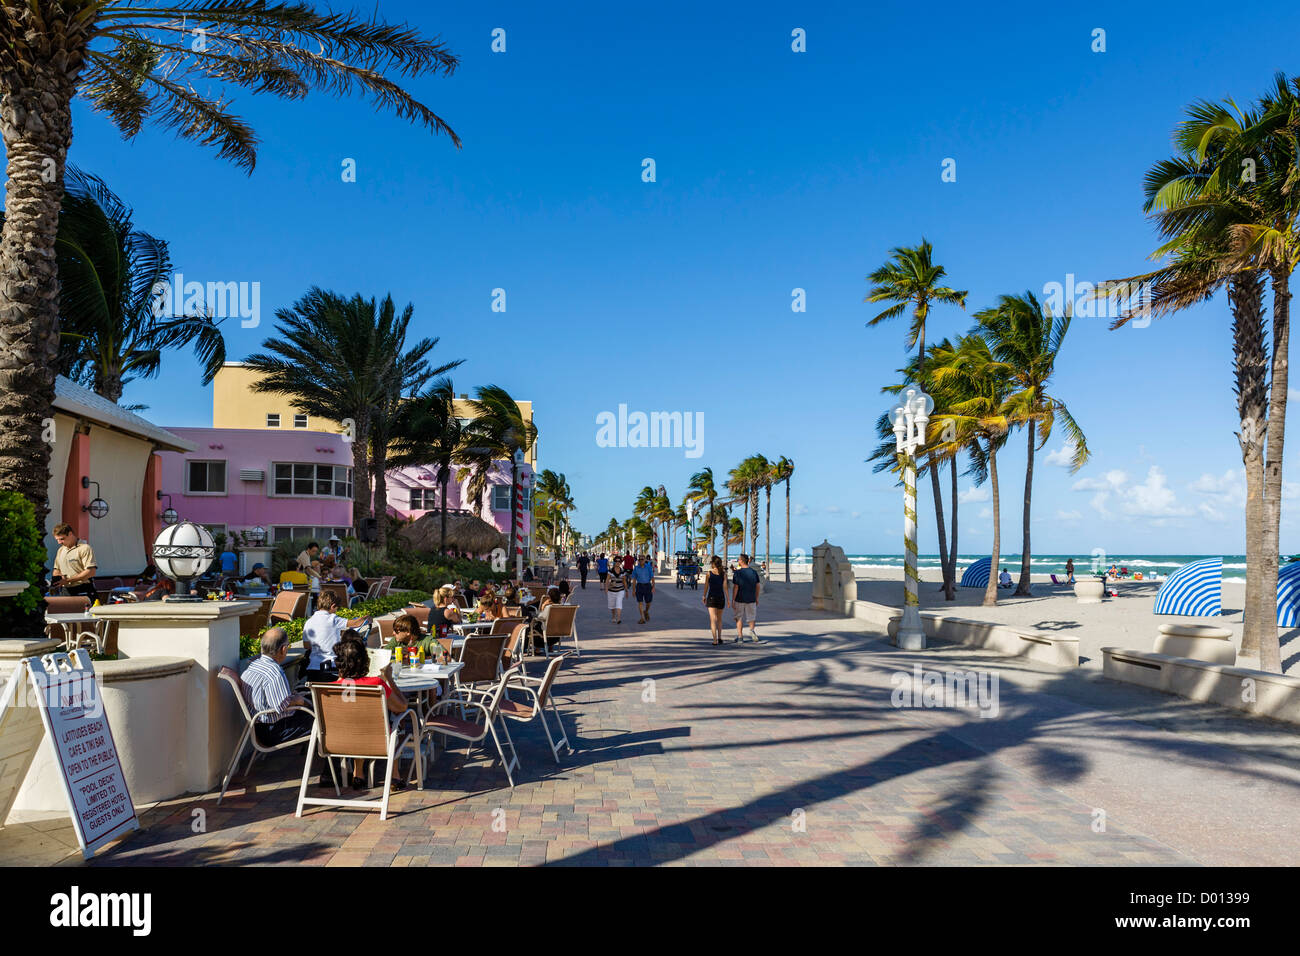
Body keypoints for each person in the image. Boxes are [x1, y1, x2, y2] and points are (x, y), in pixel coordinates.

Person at [241, 627, 328, 785]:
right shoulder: (274, 672)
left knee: (312, 707)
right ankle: (331, 772)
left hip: (259, 725)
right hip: (273, 731)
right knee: (325, 721)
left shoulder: (253, 665)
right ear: (283, 649)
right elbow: (282, 705)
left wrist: (296, 697)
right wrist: (298, 700)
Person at [332, 633, 409, 790]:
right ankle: (395, 776)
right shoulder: (376, 683)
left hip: (339, 742)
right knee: (393, 725)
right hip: (377, 740)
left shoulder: (331, 688)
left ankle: (358, 774)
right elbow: (402, 707)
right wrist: (389, 679)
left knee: (356, 723)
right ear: (365, 661)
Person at [303, 590, 368, 682]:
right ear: (333, 606)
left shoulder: (309, 622)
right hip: (329, 668)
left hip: (312, 669)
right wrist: (367, 617)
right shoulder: (332, 619)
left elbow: (306, 645)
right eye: (336, 608)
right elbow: (356, 623)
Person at [51, 523, 97, 598]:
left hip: (83, 589)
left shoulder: (84, 548)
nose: (59, 542)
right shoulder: (61, 550)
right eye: (57, 540)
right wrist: (55, 583)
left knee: (84, 610)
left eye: (62, 539)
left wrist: (68, 580)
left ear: (70, 534)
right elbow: (57, 570)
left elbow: (91, 572)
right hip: (65, 590)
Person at [731, 553, 761, 643]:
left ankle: (740, 637)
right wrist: (756, 598)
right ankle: (752, 631)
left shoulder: (738, 573)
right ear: (748, 561)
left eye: (738, 559)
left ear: (740, 561)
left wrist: (733, 599)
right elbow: (758, 586)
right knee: (751, 617)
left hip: (740, 598)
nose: (738, 561)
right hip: (751, 598)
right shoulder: (753, 572)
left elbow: (736, 587)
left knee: (739, 617)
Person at [703, 555, 726, 645]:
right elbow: (725, 588)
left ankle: (715, 640)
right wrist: (728, 599)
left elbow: (706, 586)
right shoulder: (723, 573)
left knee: (713, 620)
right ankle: (720, 637)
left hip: (712, 597)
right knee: (719, 619)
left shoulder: (709, 573)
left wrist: (704, 596)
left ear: (713, 563)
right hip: (721, 597)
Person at [632, 553, 656, 624]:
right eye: (639, 559)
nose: (641, 561)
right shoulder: (636, 568)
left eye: (642, 559)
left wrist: (653, 586)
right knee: (640, 602)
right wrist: (633, 590)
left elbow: (652, 578)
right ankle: (642, 618)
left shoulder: (648, 567)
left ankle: (646, 611)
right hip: (639, 586)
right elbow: (634, 580)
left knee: (648, 602)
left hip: (648, 586)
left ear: (645, 560)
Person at [604, 558, 627, 624]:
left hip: (620, 590)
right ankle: (613, 616)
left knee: (619, 603)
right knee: (612, 605)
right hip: (611, 591)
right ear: (614, 562)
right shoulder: (610, 571)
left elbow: (624, 581)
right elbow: (607, 580)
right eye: (616, 561)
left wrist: (626, 590)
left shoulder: (623, 571)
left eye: (619, 561)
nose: (617, 562)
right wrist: (606, 588)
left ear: (621, 562)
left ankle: (618, 618)